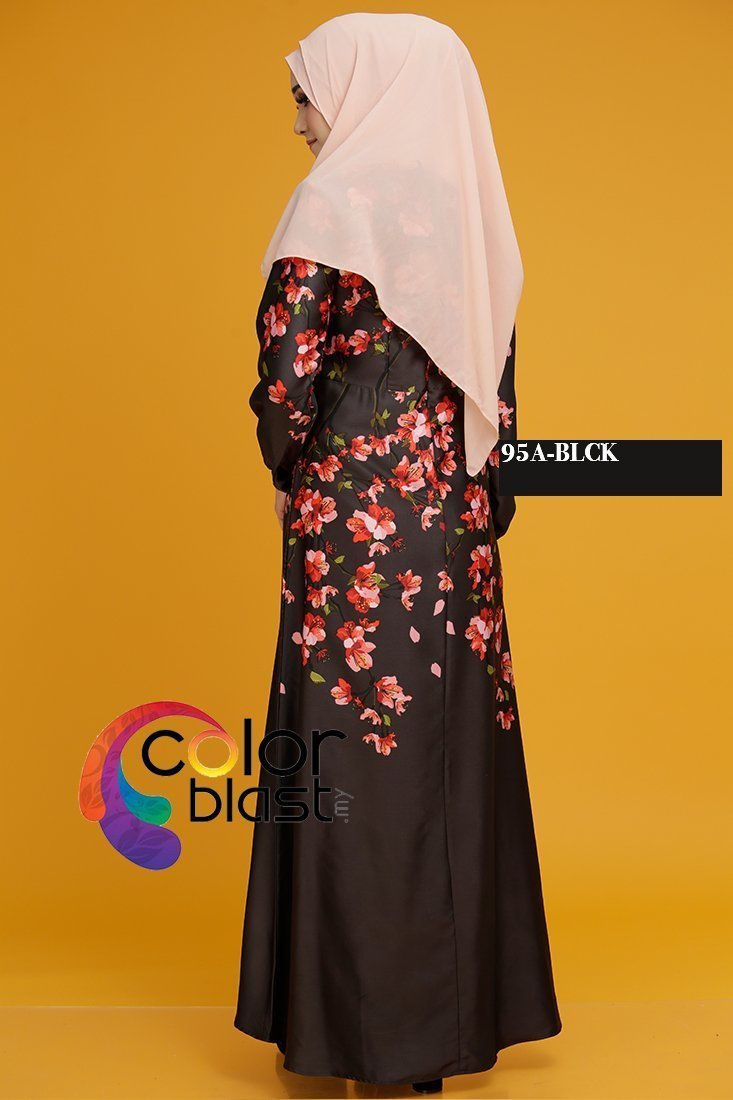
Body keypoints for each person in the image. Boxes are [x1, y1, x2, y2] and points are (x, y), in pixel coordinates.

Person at [233, 13, 562, 1093]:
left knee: (346, 756)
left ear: (363, 87)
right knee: (444, 751)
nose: (298, 120)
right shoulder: (468, 213)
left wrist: (297, 467)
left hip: (354, 530)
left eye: (305, 94)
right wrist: (476, 500)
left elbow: (287, 383)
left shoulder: (331, 204)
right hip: (453, 525)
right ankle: (435, 1039)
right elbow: (495, 388)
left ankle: (352, 1035)